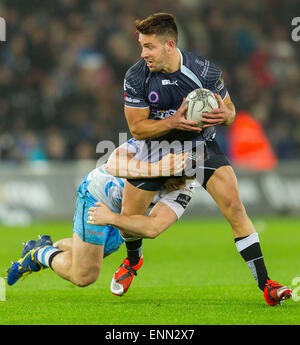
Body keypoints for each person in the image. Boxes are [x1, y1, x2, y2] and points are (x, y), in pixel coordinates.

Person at [112, 12, 292, 306]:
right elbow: (137, 128)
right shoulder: (137, 76)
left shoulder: (204, 71)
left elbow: (230, 111)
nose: (143, 53)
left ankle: (266, 284)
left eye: (149, 47)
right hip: (154, 151)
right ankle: (133, 261)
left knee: (235, 207)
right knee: (129, 223)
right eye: (142, 46)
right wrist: (173, 122)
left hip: (199, 147)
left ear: (169, 45)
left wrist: (226, 115)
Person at [6, 140, 193, 293]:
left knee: (101, 249)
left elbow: (153, 228)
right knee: (84, 275)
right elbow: (112, 164)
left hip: (114, 213)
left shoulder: (185, 185)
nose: (177, 187)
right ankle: (38, 253)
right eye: (173, 180)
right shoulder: (147, 147)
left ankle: (45, 247)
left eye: (183, 181)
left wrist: (111, 218)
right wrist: (151, 171)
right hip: (97, 196)